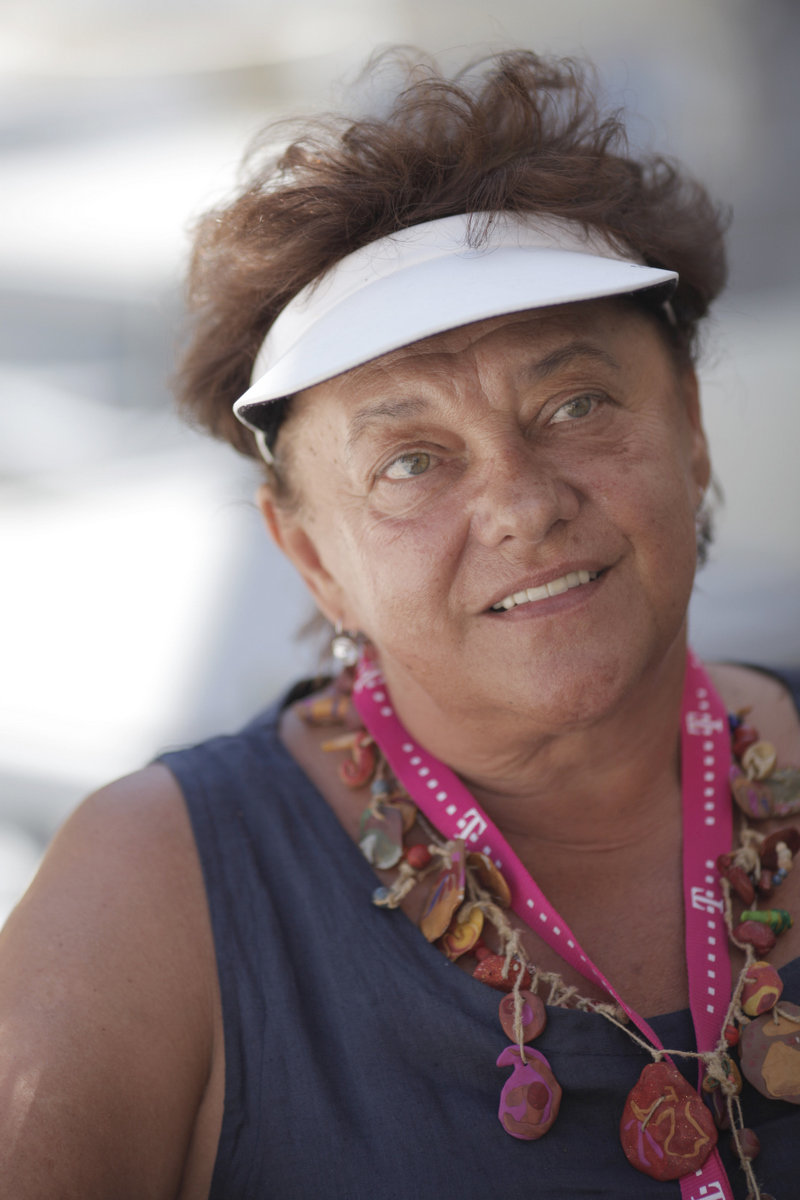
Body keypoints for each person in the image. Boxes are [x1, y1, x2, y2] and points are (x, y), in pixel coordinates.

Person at [1, 51, 798, 1200]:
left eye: (574, 403)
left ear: (690, 434)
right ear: (312, 558)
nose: (521, 505)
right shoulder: (147, 891)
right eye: (411, 462)